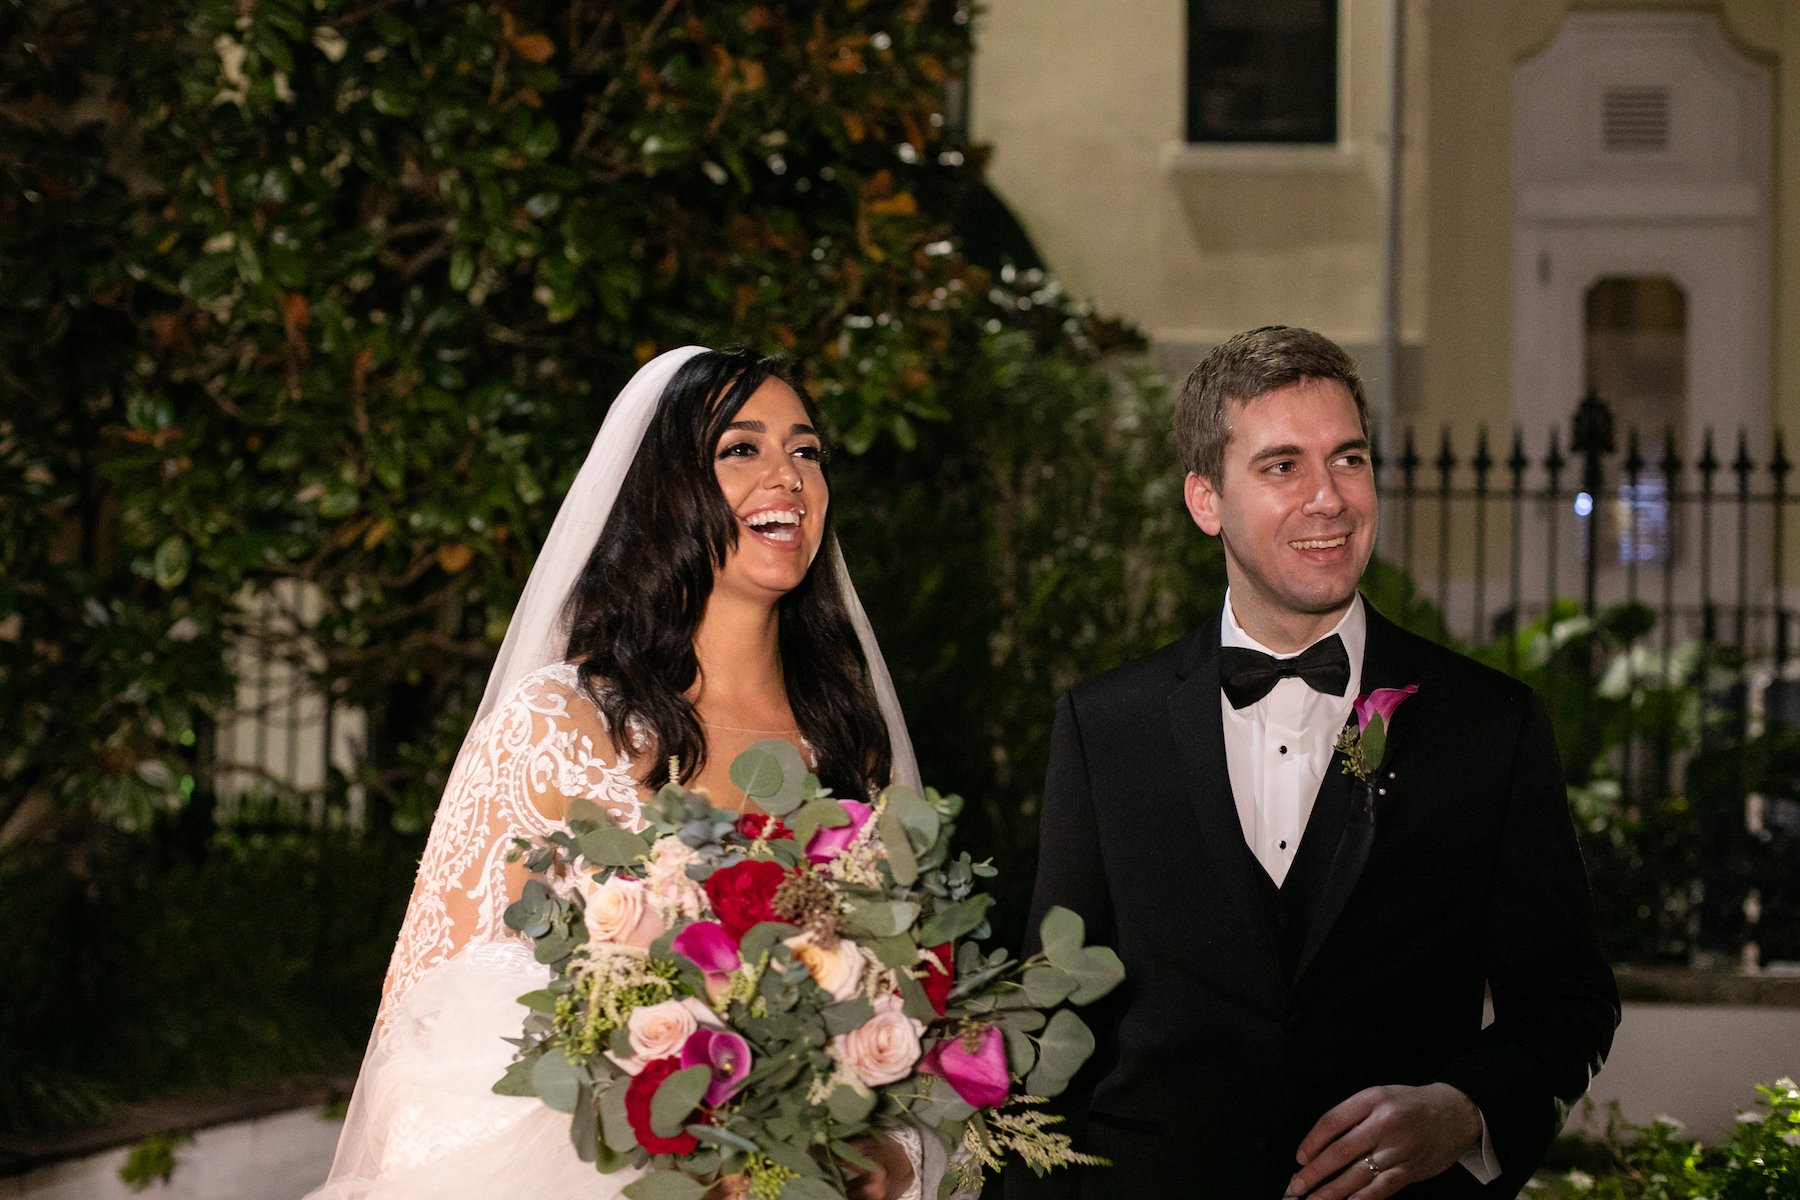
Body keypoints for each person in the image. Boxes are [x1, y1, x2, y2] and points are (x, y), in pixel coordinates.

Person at [311, 347, 935, 1200]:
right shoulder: (557, 727)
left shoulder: (853, 748)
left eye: (807, 451)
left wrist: (884, 1157)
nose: (786, 476)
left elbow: (927, 1038)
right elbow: (420, 1031)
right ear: (663, 492)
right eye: (741, 448)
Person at [1010, 326, 1620, 1199]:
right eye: (1282, 466)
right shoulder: (1104, 727)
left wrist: (1464, 1108)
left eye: (1350, 459)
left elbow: (1568, 999)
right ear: (1205, 500)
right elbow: (1052, 1018)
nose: (1330, 498)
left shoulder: (1490, 725)